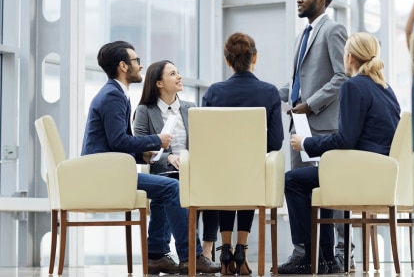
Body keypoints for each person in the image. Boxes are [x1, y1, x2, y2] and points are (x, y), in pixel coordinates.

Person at [80, 41, 220, 275]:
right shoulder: (114, 96)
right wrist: (156, 140)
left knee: (166, 188)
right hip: (106, 174)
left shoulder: (115, 93)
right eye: (136, 61)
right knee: (172, 188)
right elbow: (118, 142)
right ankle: (192, 257)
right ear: (123, 66)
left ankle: (156, 256)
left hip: (109, 170)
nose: (140, 65)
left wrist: (143, 154)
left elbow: (118, 143)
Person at [279, 32, 401, 274]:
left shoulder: (353, 87)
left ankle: (307, 255)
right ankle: (325, 259)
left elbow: (345, 139)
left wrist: (307, 143)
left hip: (359, 175)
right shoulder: (386, 90)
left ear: (349, 57)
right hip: (380, 176)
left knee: (293, 180)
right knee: (321, 181)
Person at [277, 0, 353, 271]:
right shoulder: (302, 36)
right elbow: (297, 83)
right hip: (299, 125)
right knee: (300, 192)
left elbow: (341, 76)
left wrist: (311, 105)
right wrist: (271, 95)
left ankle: (338, 255)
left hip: (322, 125)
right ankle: (306, 255)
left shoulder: (333, 30)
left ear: (321, 0)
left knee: (330, 193)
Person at [202, 32, 284, 275]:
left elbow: (206, 139)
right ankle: (241, 249)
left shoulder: (214, 92)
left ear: (228, 61)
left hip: (220, 175)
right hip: (253, 174)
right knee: (250, 173)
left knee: (228, 180)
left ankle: (224, 249)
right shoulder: (269, 92)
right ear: (254, 58)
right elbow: (276, 141)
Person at [133, 60, 219, 262]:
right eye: (172, 74)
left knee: (204, 183)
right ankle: (170, 254)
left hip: (193, 169)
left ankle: (163, 253)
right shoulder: (145, 110)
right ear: (159, 83)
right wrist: (167, 156)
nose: (179, 76)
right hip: (165, 170)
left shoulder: (190, 108)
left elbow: (203, 142)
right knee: (171, 186)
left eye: (178, 72)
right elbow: (141, 146)